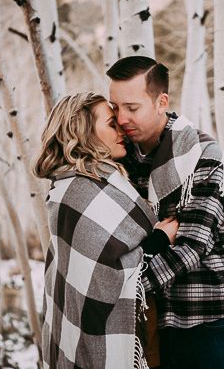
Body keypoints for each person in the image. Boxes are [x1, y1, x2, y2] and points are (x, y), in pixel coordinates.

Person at [108, 56, 224, 369]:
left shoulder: (201, 154)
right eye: (115, 108)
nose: (121, 118)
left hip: (212, 323)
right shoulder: (121, 160)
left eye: (132, 108)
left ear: (161, 102)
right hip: (155, 325)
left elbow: (191, 247)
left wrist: (122, 290)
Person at [33, 92, 179, 369]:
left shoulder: (105, 181)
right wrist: (159, 240)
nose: (121, 128)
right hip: (106, 339)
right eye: (111, 123)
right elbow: (101, 277)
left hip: (137, 331)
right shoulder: (77, 191)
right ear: (83, 130)